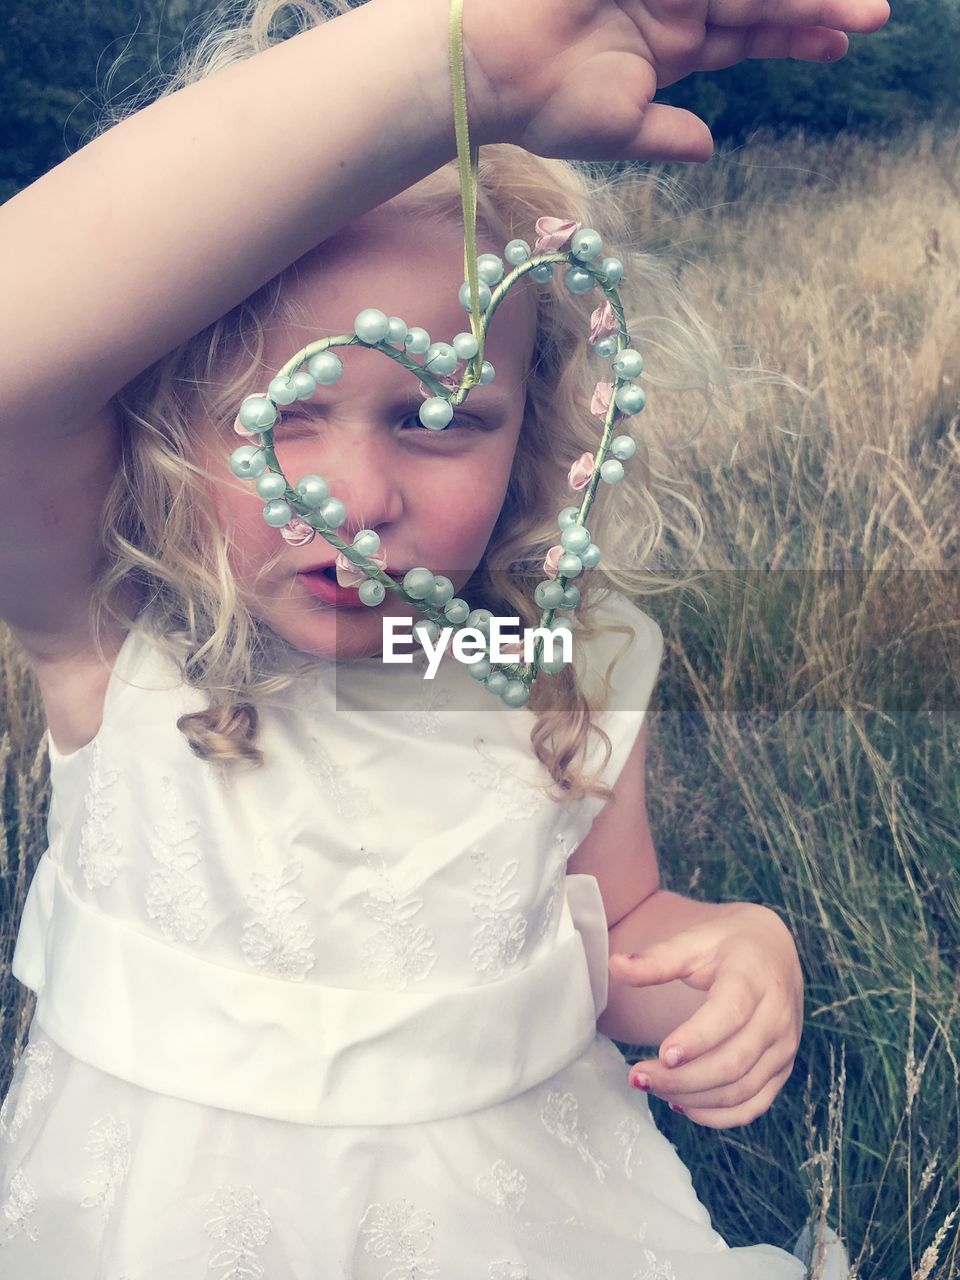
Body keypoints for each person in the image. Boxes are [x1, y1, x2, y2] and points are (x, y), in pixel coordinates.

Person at [0, 0, 888, 1273]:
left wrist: (730, 958)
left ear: (532, 430)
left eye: (434, 416)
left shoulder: (559, 666)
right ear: (158, 428)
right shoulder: (117, 626)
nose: (355, 499)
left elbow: (619, 941)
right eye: (273, 418)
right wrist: (450, 67)